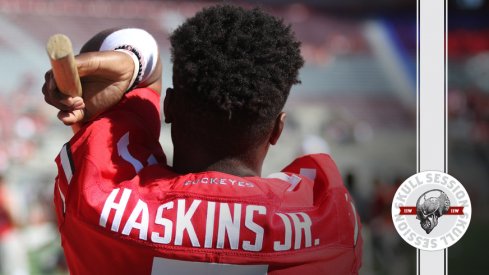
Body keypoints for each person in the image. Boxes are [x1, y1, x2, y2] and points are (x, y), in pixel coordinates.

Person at [42, 5, 362, 275]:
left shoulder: (101, 204)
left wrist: (137, 57)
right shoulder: (332, 227)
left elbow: (136, 63)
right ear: (278, 129)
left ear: (169, 107)